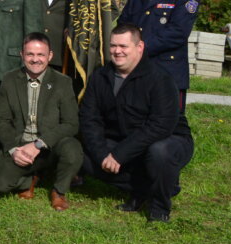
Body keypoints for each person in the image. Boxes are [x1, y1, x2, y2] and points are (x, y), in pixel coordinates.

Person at [79, 24, 194, 223]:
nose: (117, 51)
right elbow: (90, 119)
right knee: (81, 154)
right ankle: (141, 189)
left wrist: (119, 154)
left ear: (139, 47)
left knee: (159, 153)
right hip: (123, 139)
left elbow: (161, 125)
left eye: (123, 46)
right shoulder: (100, 76)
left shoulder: (160, 78)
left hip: (169, 139)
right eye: (113, 46)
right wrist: (102, 155)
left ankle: (159, 206)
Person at [0, 33, 82, 211]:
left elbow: (71, 124)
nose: (35, 59)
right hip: (21, 144)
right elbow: (2, 119)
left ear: (50, 56)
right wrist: (12, 149)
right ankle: (31, 177)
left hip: (50, 144)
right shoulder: (10, 79)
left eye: (40, 55)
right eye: (30, 54)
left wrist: (39, 144)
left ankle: (58, 191)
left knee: (73, 150)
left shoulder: (62, 82)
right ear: (22, 55)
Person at [118, 0, 200, 107]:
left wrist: (137, 49)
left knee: (168, 127)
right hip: (134, 70)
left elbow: (177, 33)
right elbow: (123, 24)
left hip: (167, 72)